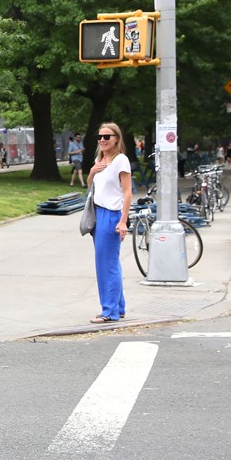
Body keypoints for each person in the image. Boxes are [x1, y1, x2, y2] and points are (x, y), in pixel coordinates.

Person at [87, 123, 131, 324]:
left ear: (116, 139)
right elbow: (91, 186)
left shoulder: (120, 160)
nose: (102, 140)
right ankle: (118, 308)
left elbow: (127, 191)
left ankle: (109, 311)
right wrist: (92, 171)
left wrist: (123, 221)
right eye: (100, 136)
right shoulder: (100, 160)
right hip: (99, 214)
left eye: (107, 136)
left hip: (112, 215)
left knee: (107, 265)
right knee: (109, 263)